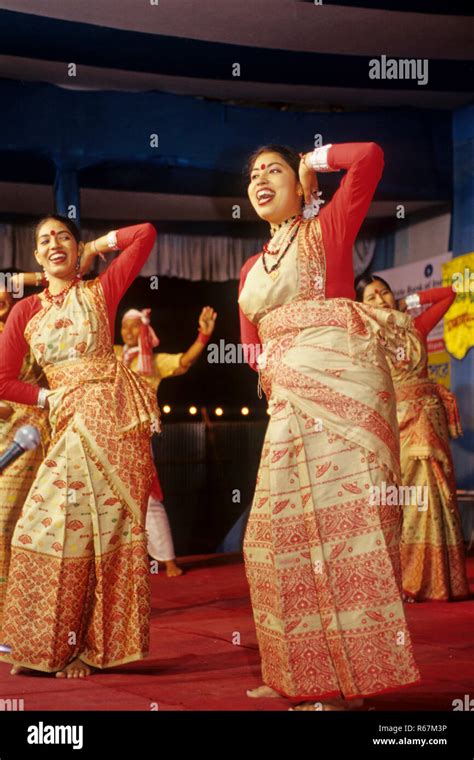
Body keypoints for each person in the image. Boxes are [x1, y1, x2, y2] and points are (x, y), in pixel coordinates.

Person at [238, 142, 420, 710]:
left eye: (274, 170)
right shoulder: (249, 267)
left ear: (300, 186)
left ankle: (347, 684)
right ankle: (297, 672)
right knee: (270, 539)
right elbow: (253, 347)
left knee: (345, 535)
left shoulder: (329, 228)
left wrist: (315, 161)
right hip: (289, 405)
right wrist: (278, 375)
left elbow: (369, 158)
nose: (261, 179)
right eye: (253, 175)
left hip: (343, 404)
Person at [0, 215, 159, 678]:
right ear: (35, 256)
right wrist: (47, 396)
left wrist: (96, 246)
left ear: (76, 245)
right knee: (43, 526)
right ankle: (43, 645)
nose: (54, 244)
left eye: (63, 237)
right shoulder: (26, 312)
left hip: (116, 423)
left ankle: (90, 649)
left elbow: (144, 234)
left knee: (107, 535)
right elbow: (4, 379)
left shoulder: (99, 292)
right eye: (45, 240)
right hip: (67, 422)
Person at [356, 275, 469, 603]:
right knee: (400, 499)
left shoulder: (414, 328)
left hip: (426, 420)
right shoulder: (365, 339)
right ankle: (403, 578)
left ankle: (435, 580)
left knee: (433, 494)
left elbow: (448, 294)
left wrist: (410, 301)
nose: (380, 301)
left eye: (385, 293)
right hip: (392, 422)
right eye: (371, 298)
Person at [115, 305, 217, 577]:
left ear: (145, 329)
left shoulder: (153, 361)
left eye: (134, 326)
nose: (127, 331)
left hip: (137, 435)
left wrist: (203, 337)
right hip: (107, 434)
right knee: (109, 498)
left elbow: (184, 362)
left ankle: (168, 560)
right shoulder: (112, 356)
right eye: (124, 326)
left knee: (148, 497)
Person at [0, 286, 50, 632]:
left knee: (12, 525)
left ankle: (13, 616)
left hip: (26, 432)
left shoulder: (27, 327)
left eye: (5, 292)